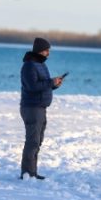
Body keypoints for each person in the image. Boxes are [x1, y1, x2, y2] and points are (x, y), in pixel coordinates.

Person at [19, 37, 65, 180]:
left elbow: (43, 86)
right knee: (32, 141)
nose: (48, 54)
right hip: (32, 108)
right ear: (40, 51)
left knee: (37, 141)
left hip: (40, 108)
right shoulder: (29, 66)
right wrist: (50, 82)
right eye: (46, 51)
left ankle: (32, 171)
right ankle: (27, 173)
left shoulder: (40, 65)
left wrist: (54, 85)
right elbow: (32, 87)